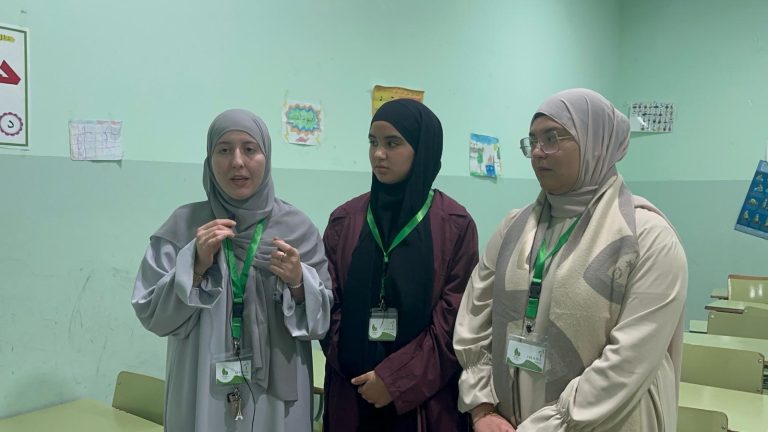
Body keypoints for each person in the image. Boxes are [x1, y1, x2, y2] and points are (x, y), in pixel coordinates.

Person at [453, 89, 687, 432]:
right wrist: (482, 408)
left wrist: (545, 427)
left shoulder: (648, 237)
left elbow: (628, 363)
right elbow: (474, 317)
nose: (537, 152)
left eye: (552, 138)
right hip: (507, 421)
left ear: (596, 144)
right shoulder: (513, 229)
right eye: (532, 140)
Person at [132, 109, 332, 432]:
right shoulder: (184, 225)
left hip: (274, 397)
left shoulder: (297, 230)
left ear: (267, 157)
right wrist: (196, 265)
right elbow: (152, 314)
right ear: (209, 159)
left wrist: (298, 283)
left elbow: (321, 322)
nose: (237, 162)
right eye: (224, 150)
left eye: (250, 149)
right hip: (200, 385)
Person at [321, 99, 478, 431]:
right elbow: (327, 304)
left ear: (422, 149)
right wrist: (353, 365)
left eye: (392, 143)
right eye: (373, 142)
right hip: (352, 394)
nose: (378, 154)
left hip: (425, 405)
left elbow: (455, 321)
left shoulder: (454, 225)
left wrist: (395, 382)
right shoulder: (345, 220)